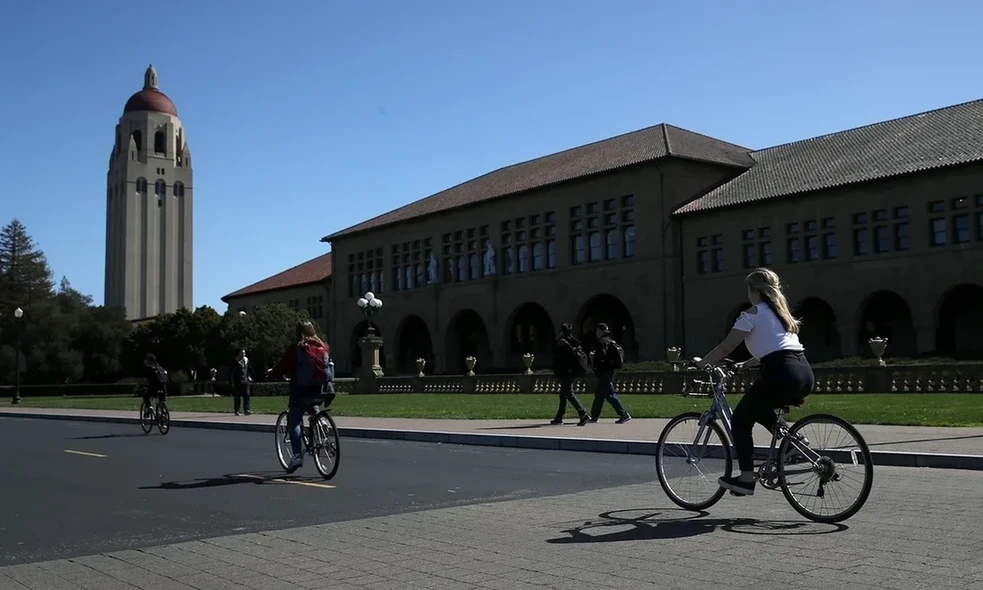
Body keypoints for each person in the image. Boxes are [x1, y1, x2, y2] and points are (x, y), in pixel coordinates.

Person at [695, 267, 815, 496]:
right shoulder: (782, 315)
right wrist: (745, 364)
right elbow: (775, 349)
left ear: (753, 291)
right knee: (758, 408)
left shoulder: (752, 313)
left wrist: (703, 363)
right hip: (803, 372)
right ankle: (795, 443)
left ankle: (747, 478)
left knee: (740, 421)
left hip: (780, 374)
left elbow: (725, 347)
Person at [266, 321, 334, 473]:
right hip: (321, 390)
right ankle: (319, 421)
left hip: (301, 390)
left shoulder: (297, 349)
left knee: (294, 419)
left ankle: (297, 455)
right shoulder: (322, 346)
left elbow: (283, 366)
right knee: (313, 404)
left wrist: (272, 374)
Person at [589, 323, 631, 424]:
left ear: (601, 331)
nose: (596, 333)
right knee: (599, 395)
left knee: (610, 394)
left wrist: (593, 360)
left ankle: (624, 414)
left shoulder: (601, 342)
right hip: (610, 371)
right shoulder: (611, 342)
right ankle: (594, 416)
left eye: (598, 331)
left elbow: (601, 357)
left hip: (604, 372)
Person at [550, 323, 591, 426]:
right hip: (573, 371)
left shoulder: (561, 343)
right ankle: (559, 417)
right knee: (563, 395)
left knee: (569, 394)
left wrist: (557, 373)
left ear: (562, 332)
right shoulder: (574, 342)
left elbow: (559, 361)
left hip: (565, 373)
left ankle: (583, 414)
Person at [229, 349, 255, 416]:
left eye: (244, 353)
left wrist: (250, 376)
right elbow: (231, 372)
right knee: (237, 396)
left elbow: (249, 369)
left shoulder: (246, 360)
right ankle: (237, 410)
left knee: (247, 395)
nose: (243, 354)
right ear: (239, 354)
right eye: (242, 353)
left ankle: (247, 410)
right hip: (237, 381)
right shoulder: (235, 362)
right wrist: (232, 381)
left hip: (245, 380)